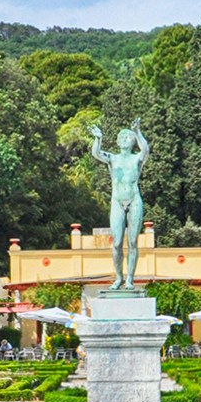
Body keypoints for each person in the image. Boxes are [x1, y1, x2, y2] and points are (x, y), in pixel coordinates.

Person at [88, 118, 149, 290]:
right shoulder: (112, 158)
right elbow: (96, 154)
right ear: (116, 141)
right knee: (116, 243)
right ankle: (118, 277)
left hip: (134, 199)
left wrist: (137, 131)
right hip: (117, 201)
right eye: (121, 137)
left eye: (127, 138)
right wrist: (98, 139)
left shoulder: (137, 158)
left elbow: (146, 150)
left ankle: (130, 278)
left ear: (133, 142)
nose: (124, 140)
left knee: (132, 242)